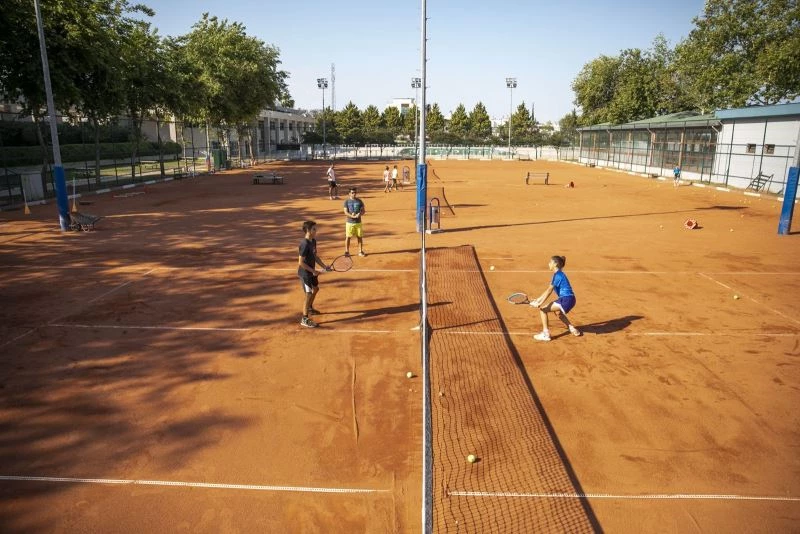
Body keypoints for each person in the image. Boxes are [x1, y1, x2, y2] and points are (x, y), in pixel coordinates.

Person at [529, 255, 581, 341]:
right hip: (571, 299)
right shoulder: (558, 274)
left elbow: (549, 291)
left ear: (555, 264)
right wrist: (538, 299)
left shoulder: (557, 276)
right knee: (558, 312)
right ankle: (571, 328)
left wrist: (540, 303)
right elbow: (547, 290)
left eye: (550, 262)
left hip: (565, 299)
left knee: (543, 310)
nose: (548, 264)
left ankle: (545, 334)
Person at [298, 220, 329, 328]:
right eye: (314, 229)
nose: (316, 231)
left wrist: (324, 266)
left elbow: (315, 256)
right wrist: (313, 271)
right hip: (305, 273)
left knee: (315, 289)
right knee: (308, 294)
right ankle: (304, 318)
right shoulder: (304, 244)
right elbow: (301, 262)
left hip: (311, 272)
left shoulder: (313, 241)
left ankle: (309, 308)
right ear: (308, 230)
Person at [343, 187, 367, 257]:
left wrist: (360, 214)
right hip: (349, 223)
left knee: (359, 237)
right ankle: (347, 251)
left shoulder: (359, 201)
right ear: (349, 193)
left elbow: (363, 211)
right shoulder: (346, 202)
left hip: (358, 222)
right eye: (352, 193)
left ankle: (360, 251)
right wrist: (352, 216)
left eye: (355, 192)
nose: (354, 194)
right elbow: (345, 212)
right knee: (348, 237)